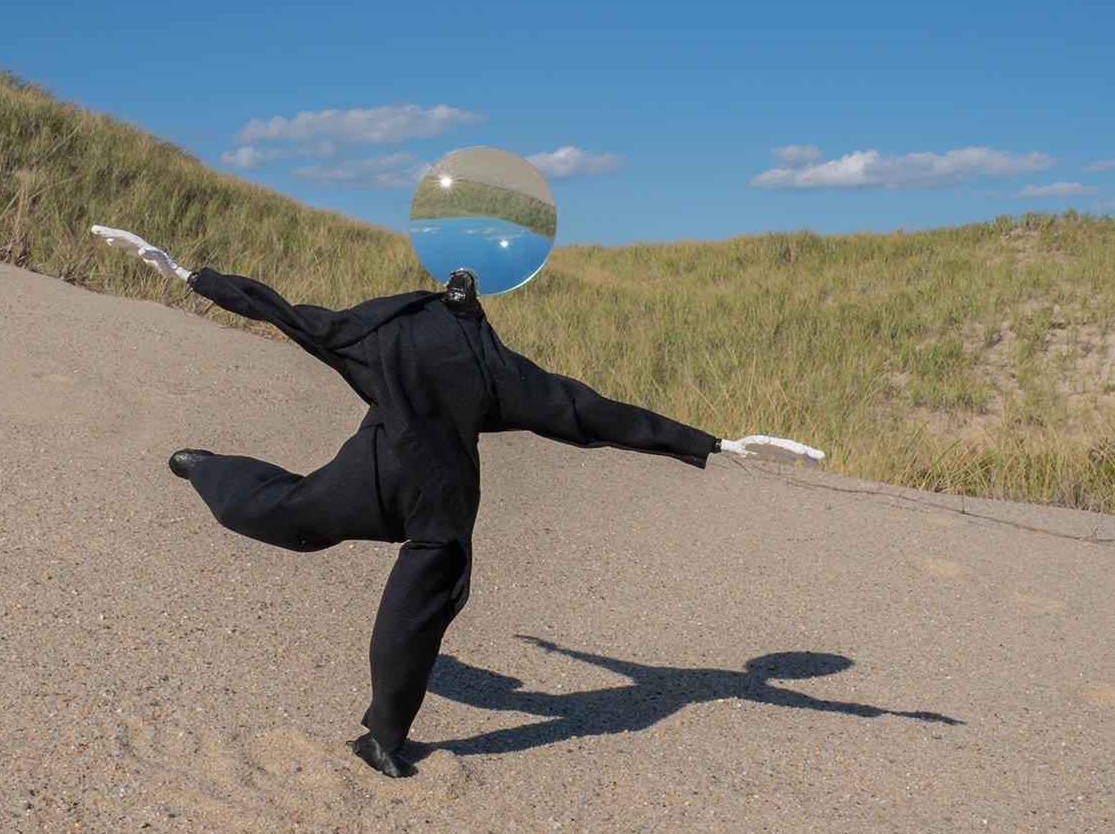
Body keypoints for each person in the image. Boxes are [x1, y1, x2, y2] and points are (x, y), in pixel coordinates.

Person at [92, 226, 820, 778]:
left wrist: (188, 273)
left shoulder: (395, 339)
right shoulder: (466, 356)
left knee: (373, 591)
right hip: (420, 499)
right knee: (338, 560)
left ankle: (382, 733)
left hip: (402, 493)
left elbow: (288, 313)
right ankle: (210, 471)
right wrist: (712, 442)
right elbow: (591, 411)